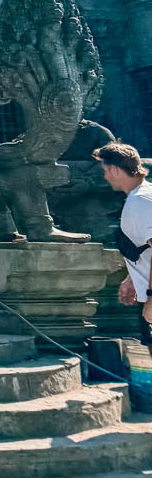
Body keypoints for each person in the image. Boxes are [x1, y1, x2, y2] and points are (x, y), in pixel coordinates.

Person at [94, 141, 152, 343]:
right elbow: (145, 248)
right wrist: (132, 278)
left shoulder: (141, 201)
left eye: (105, 170)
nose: (105, 176)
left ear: (115, 169)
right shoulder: (142, 195)